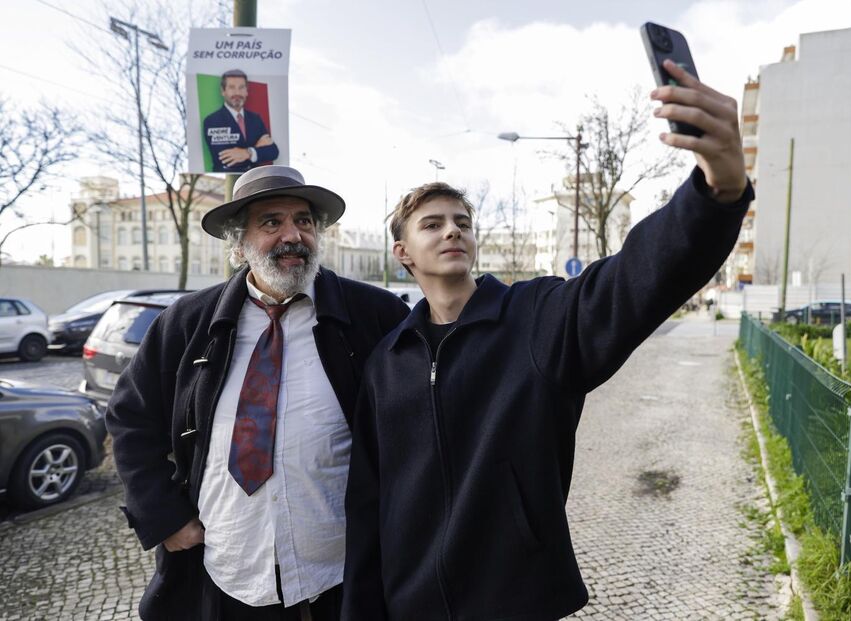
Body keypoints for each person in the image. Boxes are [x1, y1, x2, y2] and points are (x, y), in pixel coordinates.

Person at [342, 60, 752, 620]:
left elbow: (632, 280)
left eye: (461, 220)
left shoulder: (535, 318)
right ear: (403, 254)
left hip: (517, 601)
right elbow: (368, 504)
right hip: (410, 604)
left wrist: (717, 191)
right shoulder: (386, 362)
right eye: (432, 224)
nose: (453, 230)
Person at [107, 165, 409, 620]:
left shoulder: (375, 315)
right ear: (239, 242)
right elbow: (130, 417)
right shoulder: (187, 323)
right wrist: (162, 514)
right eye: (272, 222)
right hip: (229, 567)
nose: (293, 235)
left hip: (341, 572)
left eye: (304, 221)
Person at [203, 69, 280, 173]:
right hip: (228, 179)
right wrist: (255, 149)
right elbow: (226, 160)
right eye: (232, 87)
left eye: (241, 87)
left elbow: (273, 152)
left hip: (253, 179)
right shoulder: (212, 121)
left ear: (247, 91)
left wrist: (246, 153)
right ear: (223, 91)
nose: (237, 93)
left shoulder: (255, 119)